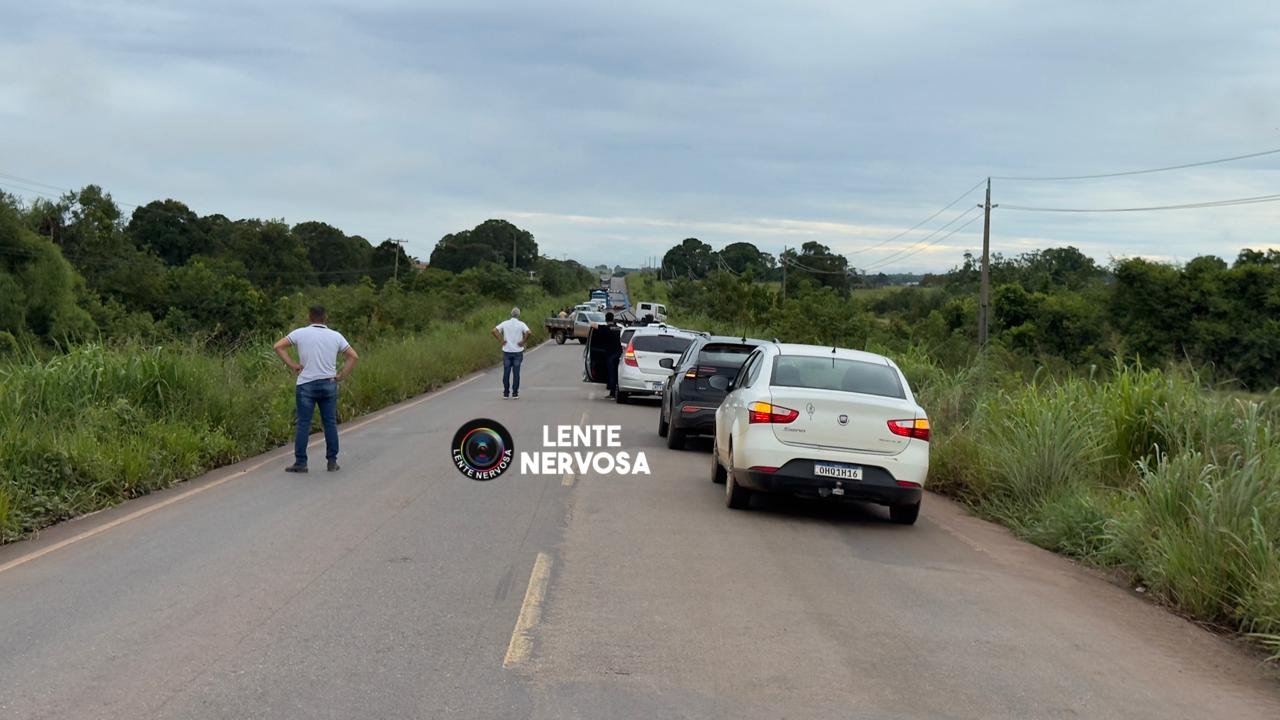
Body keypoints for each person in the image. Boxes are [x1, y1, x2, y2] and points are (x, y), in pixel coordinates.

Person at [273, 305, 359, 473]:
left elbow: (278, 346)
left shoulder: (300, 333)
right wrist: (340, 376)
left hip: (306, 384)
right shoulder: (336, 336)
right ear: (325, 318)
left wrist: (293, 365)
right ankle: (332, 461)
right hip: (329, 383)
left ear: (309, 317)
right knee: (330, 423)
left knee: (304, 423)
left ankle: (301, 462)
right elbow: (353, 356)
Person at [492, 307, 531, 399]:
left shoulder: (505, 323)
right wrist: (523, 341)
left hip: (507, 351)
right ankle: (515, 393)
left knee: (506, 372)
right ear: (519, 315)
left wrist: (501, 340)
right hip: (518, 351)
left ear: (511, 314)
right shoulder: (521, 324)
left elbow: (494, 330)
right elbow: (529, 332)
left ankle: (506, 393)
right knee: (516, 373)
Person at [599, 312, 623, 398]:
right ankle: (619, 391)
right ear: (613, 319)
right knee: (619, 373)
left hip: (610, 355)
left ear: (606, 319)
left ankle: (612, 393)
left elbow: (593, 325)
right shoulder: (619, 328)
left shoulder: (605, 328)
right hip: (620, 354)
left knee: (612, 374)